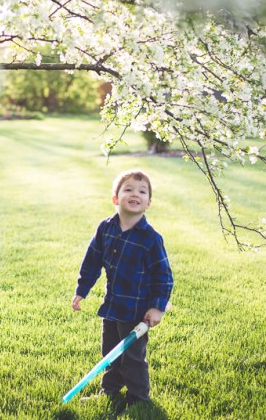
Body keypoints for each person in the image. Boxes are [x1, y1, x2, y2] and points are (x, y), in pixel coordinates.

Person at [71, 168, 173, 411]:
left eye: (142, 191)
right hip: (113, 305)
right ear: (116, 198)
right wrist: (81, 290)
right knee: (110, 352)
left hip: (137, 310)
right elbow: (92, 261)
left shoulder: (150, 238)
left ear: (148, 202)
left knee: (133, 357)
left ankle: (139, 399)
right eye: (128, 189)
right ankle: (110, 391)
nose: (135, 194)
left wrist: (157, 307)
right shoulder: (105, 228)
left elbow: (163, 276)